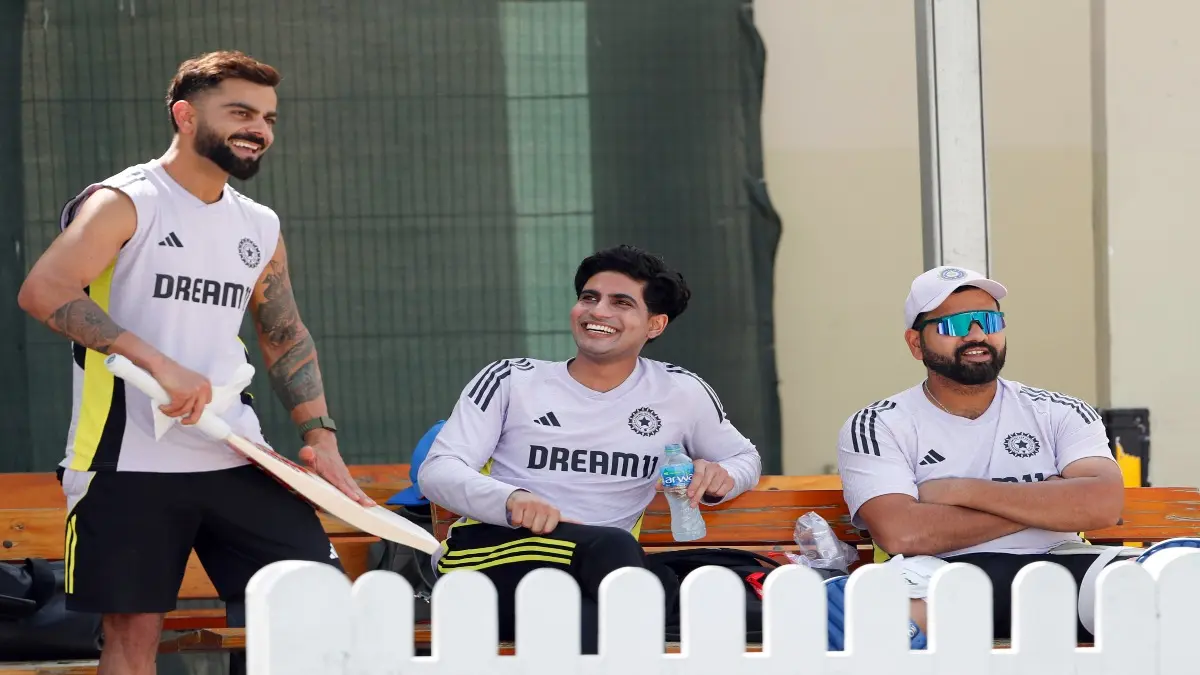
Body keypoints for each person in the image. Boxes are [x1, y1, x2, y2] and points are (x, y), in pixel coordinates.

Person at [17, 50, 372, 675]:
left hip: (236, 452)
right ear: (184, 115)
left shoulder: (258, 224)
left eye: (268, 116)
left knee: (311, 611)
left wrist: (321, 438)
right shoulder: (125, 201)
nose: (258, 128)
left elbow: (284, 334)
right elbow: (44, 291)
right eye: (239, 111)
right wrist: (159, 364)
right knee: (133, 642)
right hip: (124, 461)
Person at [417, 244, 763, 653]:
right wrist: (511, 499)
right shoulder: (512, 380)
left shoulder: (680, 391)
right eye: (589, 297)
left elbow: (745, 458)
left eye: (621, 303)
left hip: (599, 571)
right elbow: (437, 470)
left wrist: (722, 476)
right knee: (623, 559)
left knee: (589, 619)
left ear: (655, 324)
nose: (598, 312)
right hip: (494, 556)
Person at [830, 265, 1150, 647]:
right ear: (916, 343)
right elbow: (903, 532)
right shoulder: (878, 423)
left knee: (1162, 587)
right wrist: (1049, 500)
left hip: (1059, 563)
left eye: (988, 320)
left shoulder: (1059, 411)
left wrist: (960, 490)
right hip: (939, 575)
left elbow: (1102, 504)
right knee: (877, 620)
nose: (976, 335)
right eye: (954, 324)